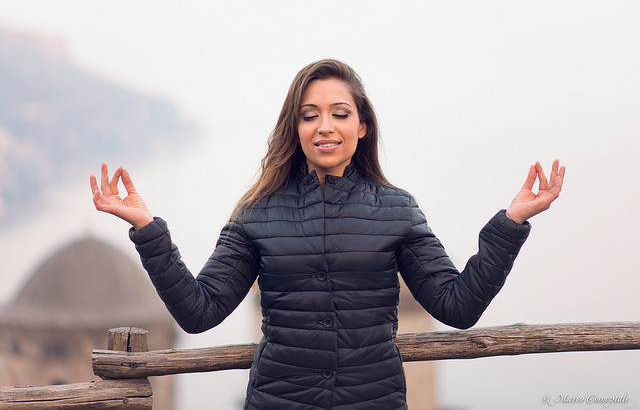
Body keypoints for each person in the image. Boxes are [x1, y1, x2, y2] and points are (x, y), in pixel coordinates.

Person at [90, 59, 565, 410]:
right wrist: (148, 229)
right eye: (309, 114)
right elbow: (199, 311)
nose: (325, 127)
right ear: (294, 127)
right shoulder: (257, 212)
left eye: (339, 113)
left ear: (362, 125)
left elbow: (457, 306)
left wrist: (511, 223)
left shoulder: (396, 208)